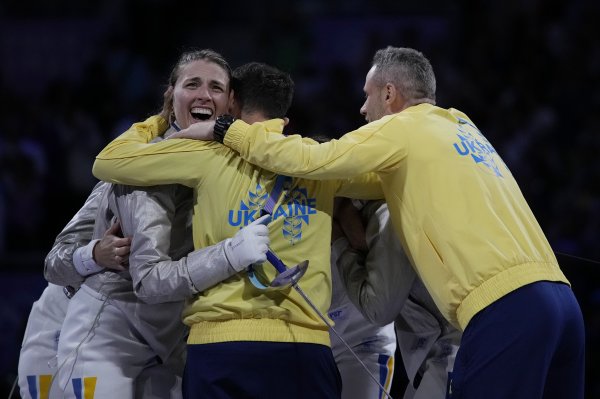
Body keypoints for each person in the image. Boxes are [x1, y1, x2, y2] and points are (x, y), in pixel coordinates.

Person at [170, 46, 586, 398]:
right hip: (562, 302)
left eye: (368, 96)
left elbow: (315, 161)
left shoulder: (402, 128)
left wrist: (228, 131)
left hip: (505, 310)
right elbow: (358, 180)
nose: (363, 108)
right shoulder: (460, 126)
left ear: (390, 94)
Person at [92, 60, 382, 398]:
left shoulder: (205, 153)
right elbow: (383, 180)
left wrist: (160, 119)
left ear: (230, 106)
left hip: (219, 349)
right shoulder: (319, 160)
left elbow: (108, 161)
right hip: (303, 347)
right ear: (284, 121)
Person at [44, 49, 271, 399]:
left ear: (230, 103)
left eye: (215, 87)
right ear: (171, 96)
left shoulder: (237, 166)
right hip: (109, 331)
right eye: (192, 84)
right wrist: (93, 254)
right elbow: (56, 263)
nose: (203, 95)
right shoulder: (135, 164)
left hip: (176, 340)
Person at [333, 198, 461, 398]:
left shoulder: (392, 206)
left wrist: (341, 239)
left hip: (369, 338)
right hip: (431, 351)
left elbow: (379, 309)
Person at [17, 198, 130, 399]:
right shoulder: (114, 184)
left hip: (147, 337)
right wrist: (94, 254)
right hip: (61, 324)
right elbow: (53, 263)